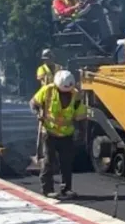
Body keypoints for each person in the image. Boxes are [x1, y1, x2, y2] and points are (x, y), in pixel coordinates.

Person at [29, 70, 87, 199]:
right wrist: (38, 113)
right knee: (49, 161)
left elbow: (81, 115)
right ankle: (47, 189)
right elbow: (33, 103)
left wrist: (82, 132)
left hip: (67, 134)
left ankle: (66, 189)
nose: (65, 94)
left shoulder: (75, 95)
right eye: (62, 92)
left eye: (67, 92)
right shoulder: (47, 90)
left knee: (66, 162)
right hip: (49, 132)